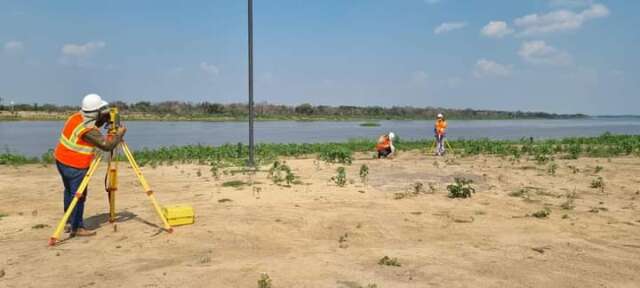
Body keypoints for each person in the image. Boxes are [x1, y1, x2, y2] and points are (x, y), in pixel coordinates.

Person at [54, 94, 126, 237]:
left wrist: (102, 119)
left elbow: (93, 124)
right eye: (101, 110)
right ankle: (77, 227)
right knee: (79, 195)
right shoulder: (87, 130)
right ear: (96, 112)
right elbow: (107, 145)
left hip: (61, 160)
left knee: (69, 192)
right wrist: (118, 134)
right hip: (75, 165)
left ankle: (69, 221)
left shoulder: (76, 117)